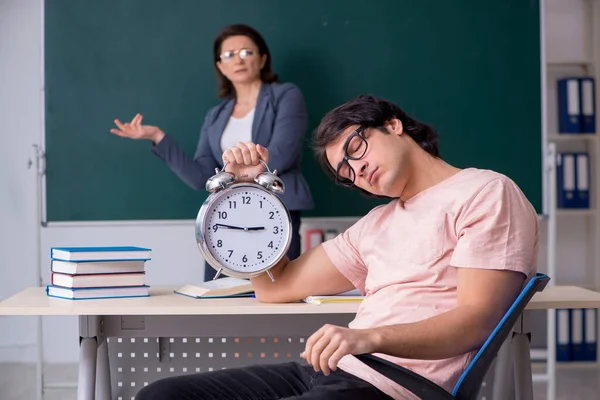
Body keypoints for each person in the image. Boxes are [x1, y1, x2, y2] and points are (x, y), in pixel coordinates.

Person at [135, 95, 539, 400]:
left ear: (393, 125)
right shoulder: (376, 224)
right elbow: (276, 286)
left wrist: (368, 338)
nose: (356, 170)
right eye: (345, 173)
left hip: (395, 385)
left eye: (356, 148)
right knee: (162, 396)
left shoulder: (484, 192)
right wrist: (251, 190)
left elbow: (476, 323)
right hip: (331, 371)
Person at [110, 24, 313, 281]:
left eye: (246, 52)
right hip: (225, 220)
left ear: (262, 59)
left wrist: (246, 165)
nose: (238, 59)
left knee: (277, 294)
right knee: (221, 302)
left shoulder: (286, 95)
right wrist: (157, 137)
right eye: (229, 55)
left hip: (273, 215)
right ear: (220, 66)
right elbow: (201, 177)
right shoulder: (215, 116)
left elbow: (283, 155)